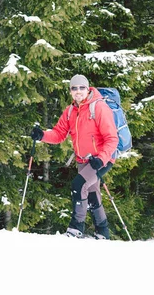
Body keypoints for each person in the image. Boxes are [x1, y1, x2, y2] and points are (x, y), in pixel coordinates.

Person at [30, 74, 118, 239]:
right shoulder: (70, 111)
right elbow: (58, 134)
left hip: (101, 159)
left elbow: (112, 138)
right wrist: (42, 135)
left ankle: (76, 228)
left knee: (78, 185)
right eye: (74, 88)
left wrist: (101, 159)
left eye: (81, 88)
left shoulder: (98, 107)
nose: (78, 91)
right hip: (83, 160)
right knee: (91, 192)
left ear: (87, 88)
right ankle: (102, 232)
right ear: (70, 91)